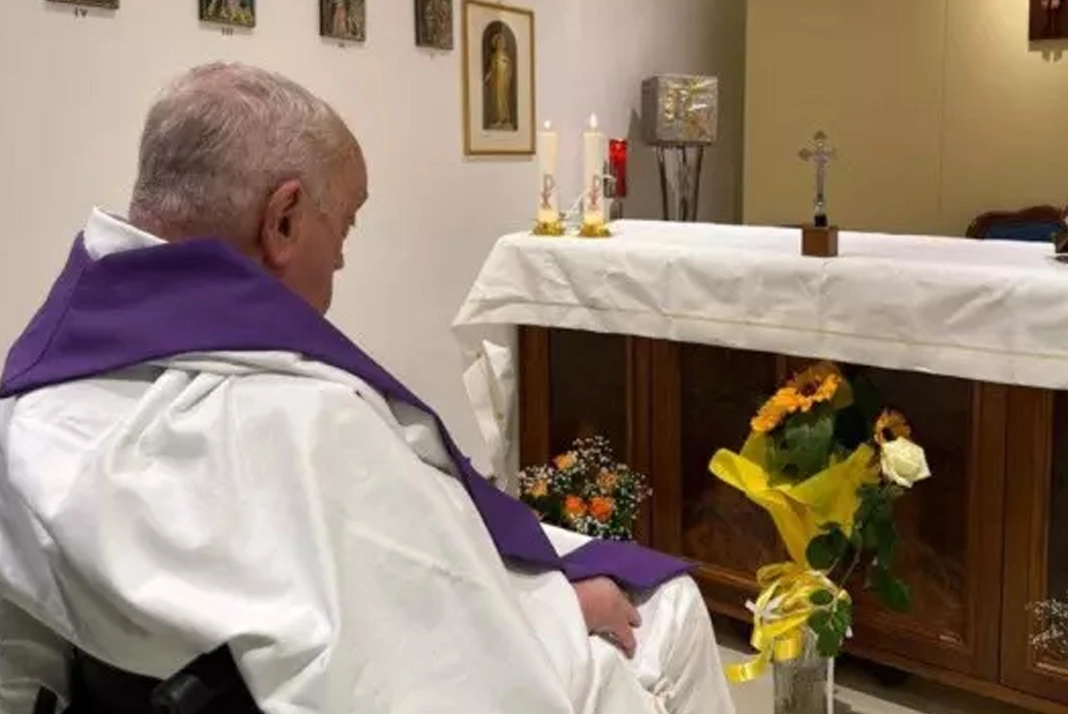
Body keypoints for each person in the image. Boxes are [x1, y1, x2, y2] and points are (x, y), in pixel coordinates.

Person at [0, 63, 736, 714]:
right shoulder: (306, 419)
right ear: (283, 220)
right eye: (345, 226)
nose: (343, 261)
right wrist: (557, 606)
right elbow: (436, 639)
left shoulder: (34, 393)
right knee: (669, 608)